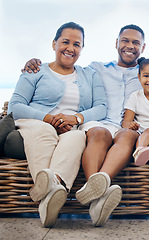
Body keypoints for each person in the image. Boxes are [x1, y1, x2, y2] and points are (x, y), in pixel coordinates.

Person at [22, 24, 149, 227]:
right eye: (125, 40)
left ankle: (96, 187)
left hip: (131, 128)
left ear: (143, 48)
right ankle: (97, 192)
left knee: (126, 135)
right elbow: (66, 67)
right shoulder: (96, 69)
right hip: (102, 123)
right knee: (98, 132)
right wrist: (35, 63)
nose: (130, 46)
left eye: (136, 42)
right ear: (116, 43)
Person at [8, 22, 107, 227]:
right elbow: (15, 107)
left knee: (78, 136)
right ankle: (52, 191)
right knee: (45, 131)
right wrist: (48, 118)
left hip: (70, 127)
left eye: (77, 44)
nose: (70, 48)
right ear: (54, 44)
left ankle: (47, 197)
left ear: (82, 49)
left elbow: (101, 107)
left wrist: (77, 118)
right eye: (65, 42)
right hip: (36, 122)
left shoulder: (90, 74)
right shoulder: (35, 70)